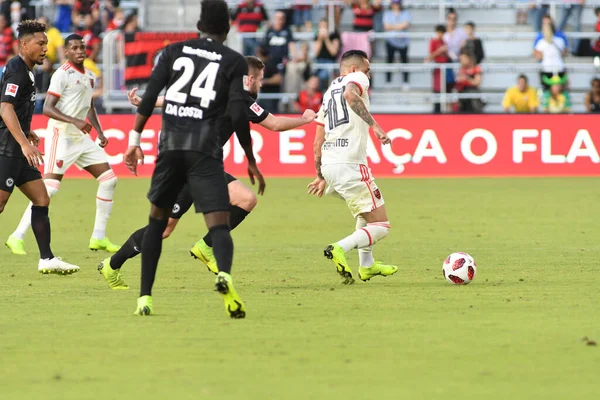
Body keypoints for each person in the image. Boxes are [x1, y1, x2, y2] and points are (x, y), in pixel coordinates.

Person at [98, 56, 316, 289]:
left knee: (245, 199)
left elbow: (180, 98)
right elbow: (273, 124)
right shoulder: (240, 97)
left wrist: (147, 101)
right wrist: (303, 119)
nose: (260, 85)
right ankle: (112, 264)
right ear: (249, 78)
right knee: (163, 229)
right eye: (260, 80)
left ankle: (205, 247)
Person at [123, 0, 263, 318]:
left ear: (199, 27)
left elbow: (150, 96)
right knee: (218, 225)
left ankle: (144, 298)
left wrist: (134, 140)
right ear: (226, 30)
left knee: (157, 224)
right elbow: (240, 115)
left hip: (171, 147)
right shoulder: (233, 62)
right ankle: (224, 274)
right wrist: (250, 158)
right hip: (205, 153)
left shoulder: (173, 52)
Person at [6, 33, 119, 255]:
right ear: (66, 52)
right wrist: (75, 121)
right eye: (74, 48)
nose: (79, 51)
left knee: (109, 180)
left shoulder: (89, 75)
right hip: (62, 136)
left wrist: (100, 131)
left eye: (82, 47)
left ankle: (98, 237)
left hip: (81, 138)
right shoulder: (62, 75)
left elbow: (90, 106)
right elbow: (47, 108)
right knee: (49, 189)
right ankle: (17, 236)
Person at [307, 50, 398, 285]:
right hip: (351, 164)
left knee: (365, 212)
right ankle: (339, 247)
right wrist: (376, 127)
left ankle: (367, 266)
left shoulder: (327, 94)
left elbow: (317, 141)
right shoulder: (356, 79)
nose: (370, 74)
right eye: (367, 69)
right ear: (355, 69)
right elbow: (350, 94)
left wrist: (320, 175)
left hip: (330, 165)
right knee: (382, 225)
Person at [0, 20, 79, 274]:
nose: (46, 48)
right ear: (24, 44)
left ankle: (46, 259)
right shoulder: (17, 70)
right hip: (8, 150)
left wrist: (26, 131)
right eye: (41, 43)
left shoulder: (27, 71)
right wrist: (24, 144)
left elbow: (9, 106)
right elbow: (5, 107)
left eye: (46, 43)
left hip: (19, 148)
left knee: (41, 198)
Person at [383, 0, 410, 88]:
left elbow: (405, 25)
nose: (396, 5)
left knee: (404, 61)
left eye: (397, 3)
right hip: (391, 41)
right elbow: (386, 26)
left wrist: (393, 27)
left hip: (403, 42)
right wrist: (399, 27)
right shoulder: (388, 13)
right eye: (394, 3)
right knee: (389, 61)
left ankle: (405, 82)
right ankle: (388, 81)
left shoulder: (405, 13)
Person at [425, 24, 451, 114]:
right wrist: (440, 51)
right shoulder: (433, 42)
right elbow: (430, 56)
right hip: (437, 68)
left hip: (444, 69)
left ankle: (445, 109)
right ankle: (437, 110)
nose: (440, 35)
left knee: (445, 89)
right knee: (437, 89)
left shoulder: (444, 42)